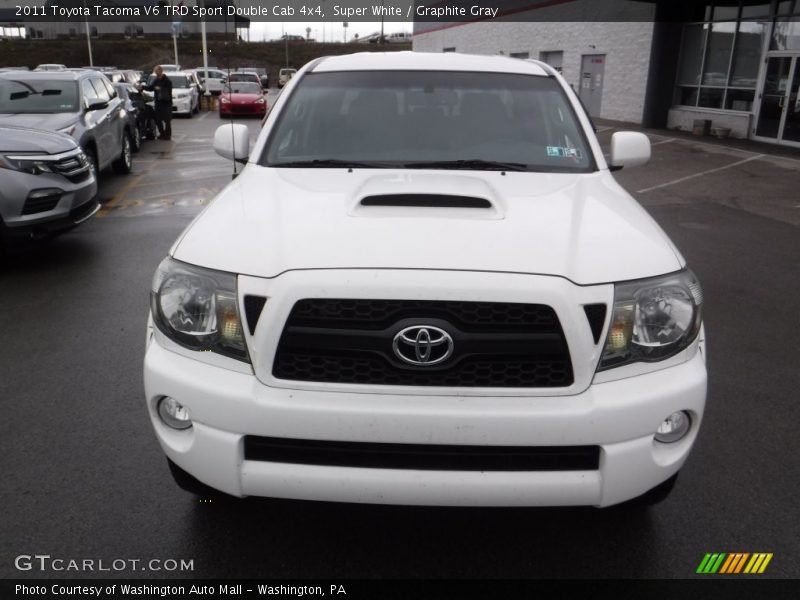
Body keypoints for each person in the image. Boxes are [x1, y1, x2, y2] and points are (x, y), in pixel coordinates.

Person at [141, 65, 173, 141]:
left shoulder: (167, 80)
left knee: (167, 120)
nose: (156, 73)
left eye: (157, 71)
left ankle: (167, 135)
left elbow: (169, 90)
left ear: (161, 71)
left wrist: (160, 88)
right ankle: (162, 134)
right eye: (155, 71)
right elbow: (151, 88)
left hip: (166, 103)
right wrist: (142, 87)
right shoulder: (156, 80)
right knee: (158, 119)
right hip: (158, 103)